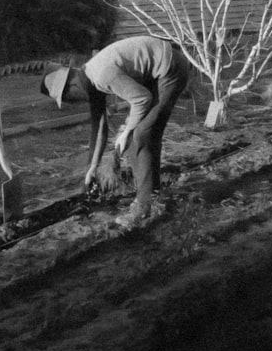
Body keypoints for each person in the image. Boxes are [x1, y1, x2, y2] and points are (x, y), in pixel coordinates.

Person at [40, 35, 190, 230]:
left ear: (72, 86)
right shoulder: (91, 80)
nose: (75, 103)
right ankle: (151, 196)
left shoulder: (102, 75)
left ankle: (144, 207)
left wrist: (127, 131)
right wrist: (92, 168)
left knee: (141, 135)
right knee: (141, 137)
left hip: (170, 68)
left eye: (70, 99)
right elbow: (99, 126)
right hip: (156, 73)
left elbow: (142, 99)